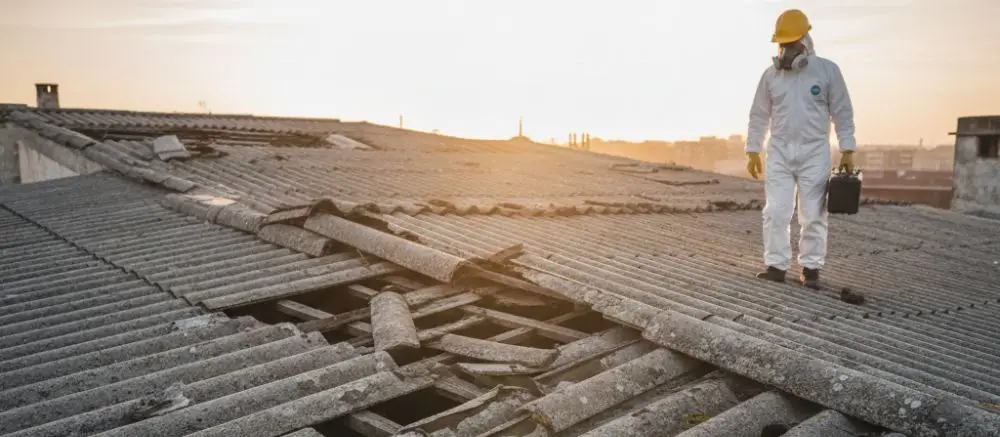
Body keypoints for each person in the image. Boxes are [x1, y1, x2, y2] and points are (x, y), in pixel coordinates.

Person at [744, 9, 857, 290]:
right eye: (782, 44)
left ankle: (811, 268)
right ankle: (776, 266)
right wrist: (753, 150)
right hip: (780, 152)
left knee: (814, 214)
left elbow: (842, 111)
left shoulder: (827, 71)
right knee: (776, 211)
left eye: (791, 44)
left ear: (805, 42)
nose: (786, 50)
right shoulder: (771, 77)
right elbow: (759, 115)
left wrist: (847, 148)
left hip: (814, 152)